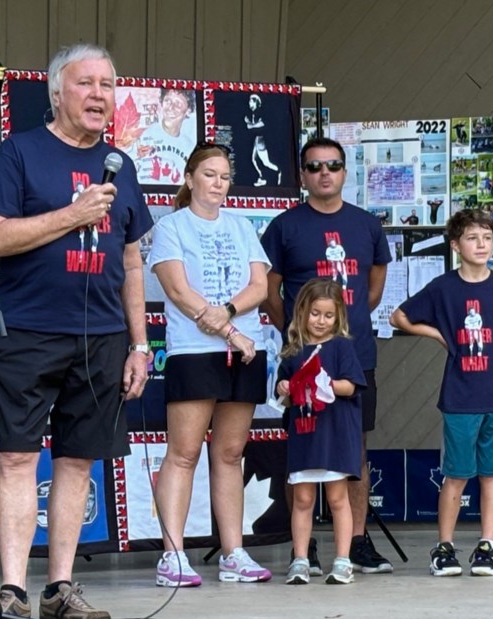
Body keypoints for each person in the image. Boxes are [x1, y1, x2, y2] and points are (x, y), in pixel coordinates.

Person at [0, 43, 153, 619]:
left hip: (101, 337)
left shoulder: (119, 166)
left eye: (108, 84)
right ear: (57, 93)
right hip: (27, 330)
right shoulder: (20, 152)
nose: (100, 94)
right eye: (86, 83)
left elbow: (130, 262)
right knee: (21, 456)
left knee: (78, 463)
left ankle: (60, 587)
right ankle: (14, 590)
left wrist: (140, 343)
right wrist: (72, 216)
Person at [389, 208, 493, 578]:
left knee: (491, 475)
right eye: (472, 238)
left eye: (487, 238)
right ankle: (444, 546)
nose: (480, 244)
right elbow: (398, 316)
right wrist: (437, 335)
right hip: (459, 399)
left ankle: (487, 546)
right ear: (455, 244)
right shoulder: (444, 288)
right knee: (457, 475)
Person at [260, 137, 393, 576]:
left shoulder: (367, 225)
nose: (324, 173)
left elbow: (372, 290)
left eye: (332, 165)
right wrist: (295, 334)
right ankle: (305, 548)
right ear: (302, 175)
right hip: (302, 358)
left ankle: (354, 542)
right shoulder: (284, 226)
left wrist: (344, 328)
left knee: (354, 451)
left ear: (343, 172)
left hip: (354, 353)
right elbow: (270, 291)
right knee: (303, 446)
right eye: (314, 166)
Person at [149, 143, 272, 587]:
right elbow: (179, 291)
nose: (218, 184)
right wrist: (227, 330)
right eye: (209, 175)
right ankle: (173, 554)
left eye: (224, 177)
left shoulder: (242, 227)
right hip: (194, 351)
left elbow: (259, 285)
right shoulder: (171, 227)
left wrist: (230, 313)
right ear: (189, 178)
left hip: (244, 348)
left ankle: (233, 551)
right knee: (183, 454)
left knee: (230, 453)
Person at [277, 279, 365, 585]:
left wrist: (326, 384)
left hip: (335, 436)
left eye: (328, 315)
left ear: (338, 316)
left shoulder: (342, 346)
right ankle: (300, 559)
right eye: (315, 313)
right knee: (302, 498)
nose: (321, 321)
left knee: (338, 498)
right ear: (302, 312)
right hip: (304, 435)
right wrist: (284, 387)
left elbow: (350, 385)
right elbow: (285, 395)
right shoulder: (293, 350)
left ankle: (343, 560)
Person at [131, 88, 196, 185]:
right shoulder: (146, 136)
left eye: (178, 103)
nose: (171, 107)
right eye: (167, 101)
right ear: (161, 103)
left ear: (188, 110)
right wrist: (136, 156)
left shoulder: (190, 147)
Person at [244, 93, 281, 186]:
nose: (249, 103)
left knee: (266, 162)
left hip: (261, 139)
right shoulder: (252, 113)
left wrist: (250, 124)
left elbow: (261, 124)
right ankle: (261, 177)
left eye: (251, 101)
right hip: (256, 139)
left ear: (256, 102)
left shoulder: (260, 112)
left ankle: (278, 171)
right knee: (253, 159)